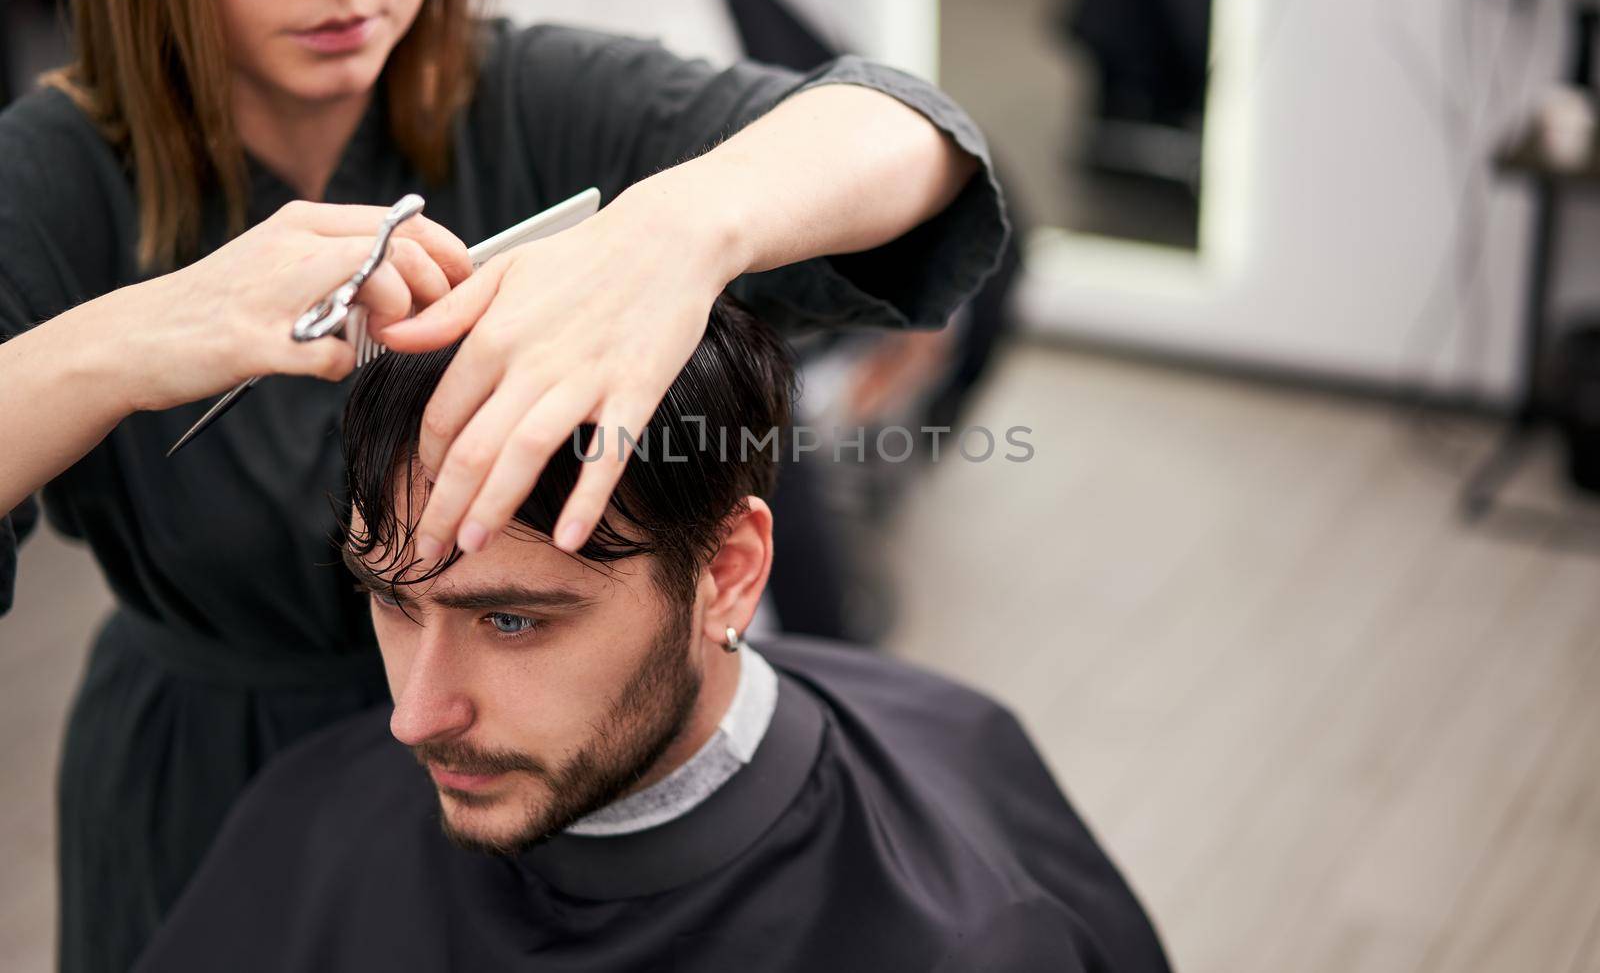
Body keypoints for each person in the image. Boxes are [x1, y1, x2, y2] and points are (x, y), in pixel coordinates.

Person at [0, 0, 1008, 970]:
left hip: (564, 816)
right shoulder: (52, 186)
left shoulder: (527, 101)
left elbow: (912, 137)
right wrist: (115, 343)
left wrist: (680, 229)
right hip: (212, 798)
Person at [132, 298, 1169, 973]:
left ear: (727, 574)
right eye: (396, 601)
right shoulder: (311, 822)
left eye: (510, 618)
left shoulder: (967, 929)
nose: (415, 713)